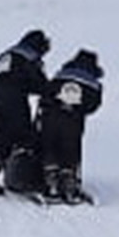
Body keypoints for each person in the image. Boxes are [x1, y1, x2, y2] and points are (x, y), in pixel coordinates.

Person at [0, 28, 52, 196]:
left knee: (1, 140)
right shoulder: (29, 56)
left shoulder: (6, 55)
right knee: (25, 137)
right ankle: (25, 178)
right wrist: (50, 92)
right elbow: (40, 84)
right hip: (14, 98)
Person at [34, 47, 105, 203]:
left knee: (50, 146)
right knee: (71, 150)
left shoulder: (61, 75)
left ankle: (51, 185)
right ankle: (69, 186)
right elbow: (93, 105)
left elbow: (45, 94)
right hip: (73, 121)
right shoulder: (93, 82)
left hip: (50, 117)